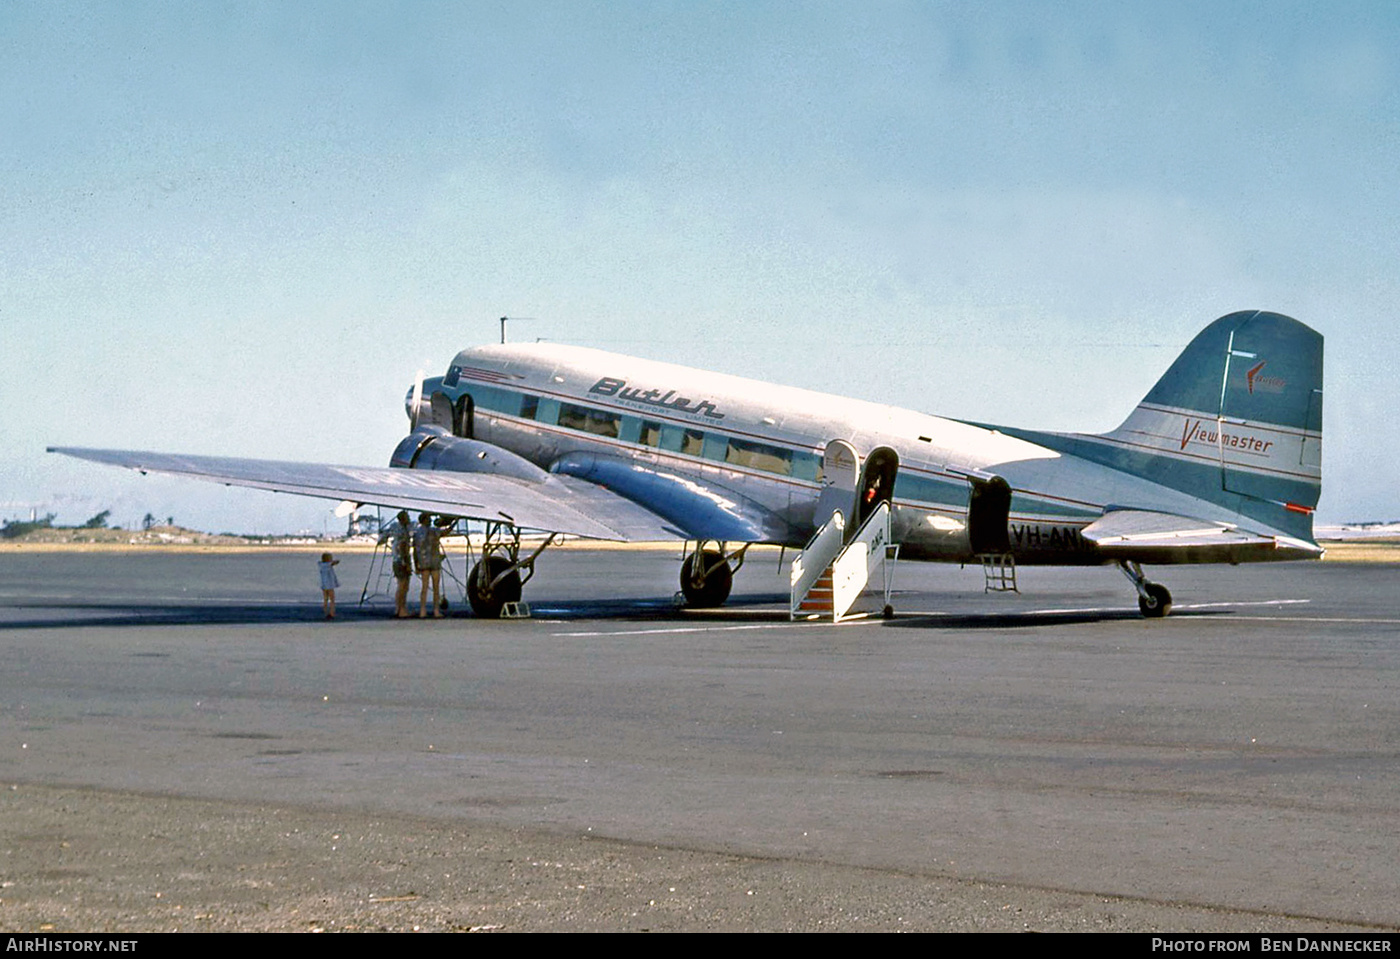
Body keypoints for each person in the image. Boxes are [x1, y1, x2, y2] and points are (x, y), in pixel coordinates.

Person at [379, 511, 414, 618]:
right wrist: (406, 563)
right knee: (403, 586)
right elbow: (402, 547)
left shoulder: (395, 528)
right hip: (402, 560)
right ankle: (402, 610)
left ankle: (398, 609)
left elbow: (383, 539)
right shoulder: (402, 531)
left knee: (400, 586)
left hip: (396, 560)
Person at [414, 512, 445, 618]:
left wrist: (416, 564)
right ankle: (436, 610)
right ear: (425, 520)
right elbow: (445, 532)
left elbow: (415, 550)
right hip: (434, 561)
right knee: (436, 588)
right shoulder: (433, 531)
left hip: (423, 562)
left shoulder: (417, 532)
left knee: (424, 587)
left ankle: (423, 610)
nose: (431, 520)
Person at [318, 552, 340, 619]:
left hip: (324, 585)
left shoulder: (321, 565)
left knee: (325, 599)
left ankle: (325, 610)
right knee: (332, 599)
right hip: (329, 585)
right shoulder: (328, 565)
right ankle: (331, 613)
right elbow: (335, 562)